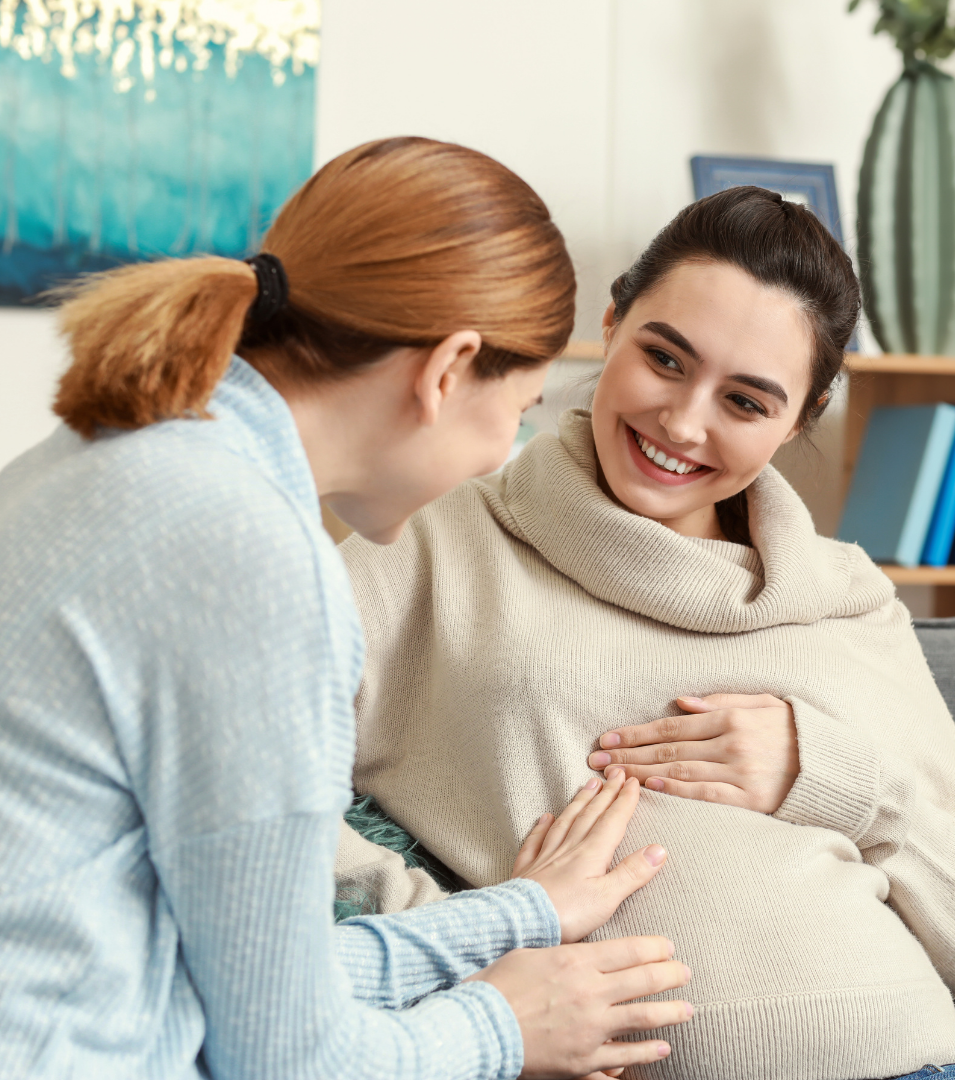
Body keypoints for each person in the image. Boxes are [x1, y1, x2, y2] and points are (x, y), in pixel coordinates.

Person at [0, 137, 695, 1080]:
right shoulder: (253, 560)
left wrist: (520, 916)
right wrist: (501, 1031)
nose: (502, 453)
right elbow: (285, 1056)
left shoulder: (100, 457)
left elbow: (247, 974)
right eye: (520, 409)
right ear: (447, 370)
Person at [334, 186, 955, 1080]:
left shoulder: (848, 602)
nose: (681, 423)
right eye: (665, 358)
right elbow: (256, 802)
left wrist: (832, 779)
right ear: (613, 319)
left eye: (747, 402)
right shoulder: (432, 537)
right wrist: (489, 955)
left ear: (801, 419)